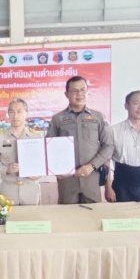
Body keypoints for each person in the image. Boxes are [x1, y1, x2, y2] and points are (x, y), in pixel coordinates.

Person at [46, 76, 113, 204]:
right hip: (67, 180)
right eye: (74, 91)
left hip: (91, 177)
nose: (79, 94)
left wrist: (92, 166)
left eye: (83, 90)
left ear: (87, 92)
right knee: (67, 214)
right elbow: (49, 148)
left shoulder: (98, 117)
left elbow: (108, 146)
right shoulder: (57, 119)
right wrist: (56, 169)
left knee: (93, 213)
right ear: (66, 94)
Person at [0, 98, 41, 205]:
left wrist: (37, 174)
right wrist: (7, 169)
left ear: (26, 113)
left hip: (30, 188)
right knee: (8, 216)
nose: (15, 116)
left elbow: (43, 163)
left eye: (19, 111)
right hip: (8, 189)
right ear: (8, 114)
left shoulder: (36, 137)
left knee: (33, 216)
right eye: (11, 112)